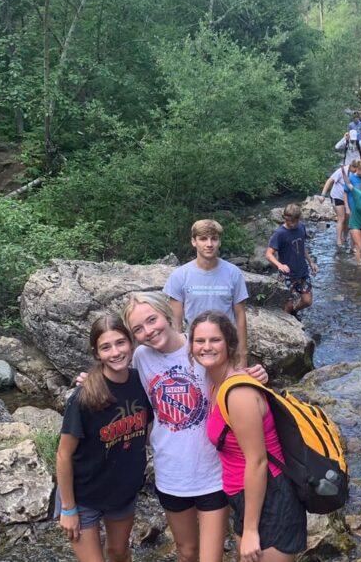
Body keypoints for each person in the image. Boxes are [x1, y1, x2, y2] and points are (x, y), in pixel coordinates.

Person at [121, 292, 269, 562]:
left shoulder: (201, 346)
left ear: (167, 315)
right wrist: (91, 380)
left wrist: (257, 375)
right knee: (187, 551)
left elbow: (232, 377)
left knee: (210, 557)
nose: (148, 331)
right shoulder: (141, 357)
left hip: (211, 471)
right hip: (170, 471)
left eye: (152, 320)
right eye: (138, 329)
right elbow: (123, 383)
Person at [195, 311, 307, 562]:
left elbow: (257, 461)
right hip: (243, 496)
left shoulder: (239, 393)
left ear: (230, 344)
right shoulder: (214, 384)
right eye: (199, 341)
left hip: (270, 496)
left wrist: (250, 530)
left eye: (215, 340)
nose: (206, 347)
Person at [56, 316, 152, 562]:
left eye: (120, 343)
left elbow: (150, 432)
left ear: (131, 343)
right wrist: (68, 508)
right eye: (106, 347)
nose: (116, 352)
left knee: (119, 553)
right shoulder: (84, 397)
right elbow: (64, 454)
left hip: (122, 490)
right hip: (83, 496)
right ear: (96, 353)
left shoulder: (141, 382)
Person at [164, 219, 249, 367]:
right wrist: (178, 355)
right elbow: (175, 321)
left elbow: (240, 316)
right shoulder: (179, 276)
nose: (209, 244)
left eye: (214, 239)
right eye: (203, 239)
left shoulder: (233, 273)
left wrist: (242, 355)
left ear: (219, 242)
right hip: (195, 348)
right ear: (194, 241)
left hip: (227, 347)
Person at [265, 204, 318, 318]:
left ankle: (294, 311)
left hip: (302, 272)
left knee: (307, 301)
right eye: (288, 221)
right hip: (287, 275)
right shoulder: (280, 233)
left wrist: (311, 262)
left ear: (298, 219)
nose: (291, 224)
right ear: (285, 218)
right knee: (287, 306)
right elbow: (269, 254)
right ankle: (288, 320)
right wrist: (279, 265)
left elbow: (302, 247)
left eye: (294, 221)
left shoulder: (301, 227)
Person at [318, 163, 352, 250]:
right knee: (341, 218)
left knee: (347, 218)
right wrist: (323, 195)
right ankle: (339, 241)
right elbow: (329, 181)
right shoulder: (341, 171)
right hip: (337, 196)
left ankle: (345, 237)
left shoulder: (358, 172)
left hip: (347, 198)